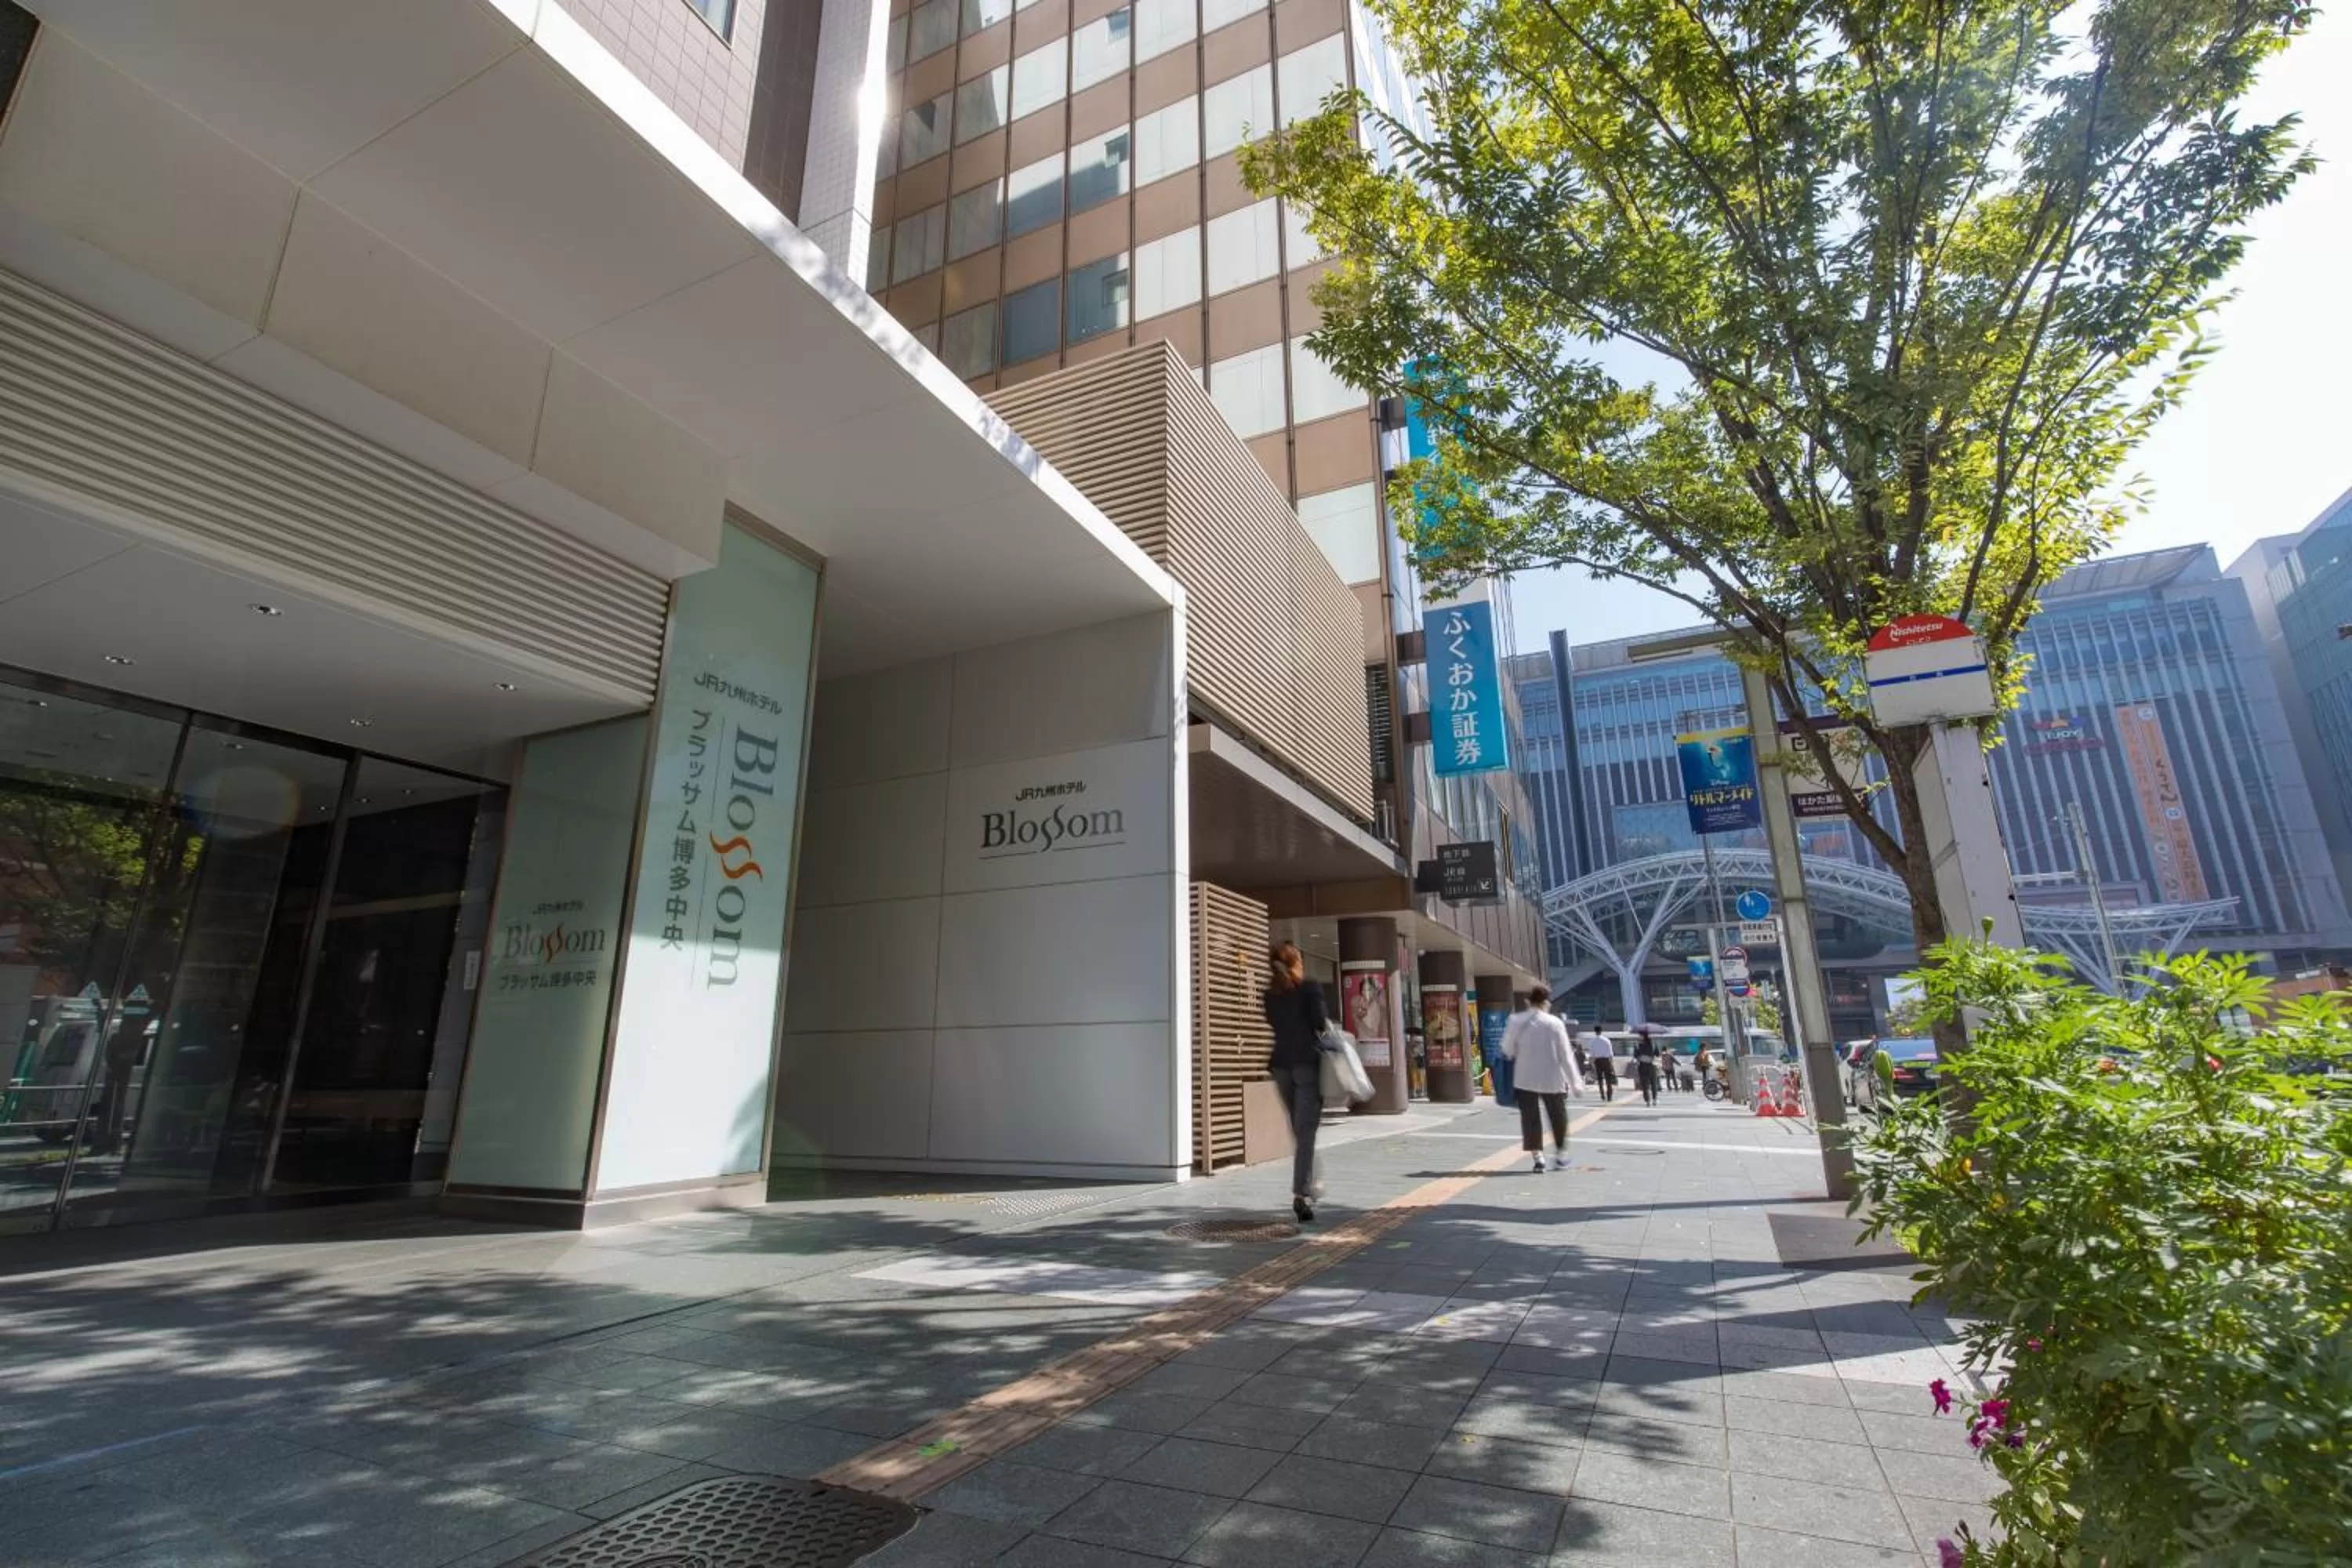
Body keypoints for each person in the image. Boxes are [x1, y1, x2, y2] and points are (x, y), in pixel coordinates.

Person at [1262, 942, 1331, 1224]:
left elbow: (1274, 1024)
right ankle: (1301, 1194)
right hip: (1306, 1065)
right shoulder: (1310, 988)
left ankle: (1311, 1180)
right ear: (1296, 962)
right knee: (1305, 1131)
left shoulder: (1269, 995)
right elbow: (1319, 1023)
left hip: (1280, 1066)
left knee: (1300, 1129)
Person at [1501, 987, 1584, 1171]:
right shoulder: (1555, 1023)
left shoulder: (1516, 1021)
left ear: (1528, 1002)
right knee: (1558, 1116)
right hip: (1552, 1077)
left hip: (1524, 1077)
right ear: (1547, 1003)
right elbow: (1566, 1056)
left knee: (1530, 1118)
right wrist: (1576, 1083)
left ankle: (1538, 1158)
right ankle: (1561, 1155)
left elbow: (1507, 1049)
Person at [1580, 1025, 1617, 1102]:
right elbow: (1610, 1054)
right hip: (1606, 1061)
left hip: (1598, 1061)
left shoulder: (1592, 1041)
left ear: (1595, 1031)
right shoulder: (1607, 1040)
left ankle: (1602, 1094)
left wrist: (1592, 1063)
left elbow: (1592, 1054)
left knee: (1600, 1079)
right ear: (1601, 1031)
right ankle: (1609, 1096)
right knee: (1608, 1079)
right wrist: (1611, 1063)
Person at [1631, 1027, 1663, 1106]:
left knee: (1645, 1084)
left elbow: (1635, 1056)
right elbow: (1658, 1054)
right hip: (1651, 1065)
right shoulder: (1653, 1044)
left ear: (1641, 1035)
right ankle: (1654, 1100)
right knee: (1653, 1083)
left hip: (1642, 1066)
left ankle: (1648, 1101)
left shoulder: (1638, 1045)